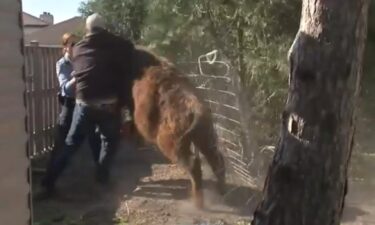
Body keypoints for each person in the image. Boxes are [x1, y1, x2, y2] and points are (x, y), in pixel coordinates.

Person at [39, 13, 135, 197]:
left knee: (70, 144)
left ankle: (48, 182)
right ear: (104, 27)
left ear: (87, 30)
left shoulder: (79, 48)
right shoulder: (119, 44)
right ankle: (101, 176)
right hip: (109, 105)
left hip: (84, 105)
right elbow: (128, 49)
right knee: (110, 142)